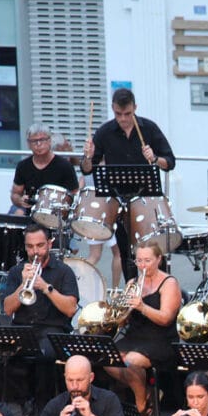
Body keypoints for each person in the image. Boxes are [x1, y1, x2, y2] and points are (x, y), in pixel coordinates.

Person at [81, 88, 176, 282]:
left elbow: (170, 162)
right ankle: (133, 293)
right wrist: (88, 157)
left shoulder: (149, 129)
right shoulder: (105, 132)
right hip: (120, 202)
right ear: (113, 109)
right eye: (118, 114)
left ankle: (161, 291)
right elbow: (87, 169)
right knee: (127, 255)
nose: (123, 119)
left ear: (135, 108)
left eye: (127, 114)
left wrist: (155, 158)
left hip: (146, 200)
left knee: (153, 251)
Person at [2, 225, 80, 416]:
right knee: (1, 353)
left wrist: (45, 287)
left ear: (49, 244)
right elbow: (8, 308)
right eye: (30, 247)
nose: (35, 252)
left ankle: (44, 406)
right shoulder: (16, 271)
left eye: (40, 246)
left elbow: (70, 309)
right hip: (23, 327)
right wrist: (23, 284)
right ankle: (25, 401)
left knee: (45, 354)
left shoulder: (63, 271)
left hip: (53, 328)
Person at [107, 241, 182, 416]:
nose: (142, 265)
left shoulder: (169, 283)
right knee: (107, 357)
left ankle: (141, 406)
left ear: (159, 259)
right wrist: (120, 308)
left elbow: (166, 318)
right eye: (139, 261)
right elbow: (123, 321)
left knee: (131, 361)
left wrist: (142, 307)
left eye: (147, 260)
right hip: (135, 335)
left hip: (161, 339)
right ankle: (147, 393)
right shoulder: (133, 282)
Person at [9, 124, 80, 217]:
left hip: (58, 219)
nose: (38, 145)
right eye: (34, 141)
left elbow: (75, 195)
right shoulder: (23, 166)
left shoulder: (65, 166)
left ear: (49, 141)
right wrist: (20, 200)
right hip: (31, 218)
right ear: (28, 144)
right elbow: (15, 193)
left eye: (42, 140)